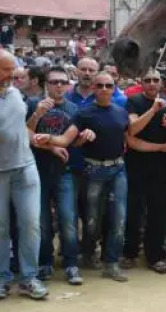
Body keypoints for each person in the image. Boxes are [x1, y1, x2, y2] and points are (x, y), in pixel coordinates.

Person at [34, 72, 131, 282]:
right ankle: (87, 254)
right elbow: (67, 139)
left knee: (119, 218)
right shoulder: (83, 113)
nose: (104, 89)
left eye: (109, 85)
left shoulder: (122, 112)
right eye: (100, 85)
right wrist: (50, 138)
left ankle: (111, 263)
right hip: (93, 170)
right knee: (91, 221)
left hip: (118, 170)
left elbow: (130, 138)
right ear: (94, 88)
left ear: (114, 88)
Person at [25, 66, 83, 285]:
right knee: (42, 222)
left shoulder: (75, 109)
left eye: (63, 82)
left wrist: (83, 138)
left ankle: (71, 264)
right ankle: (45, 262)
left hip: (64, 171)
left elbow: (71, 140)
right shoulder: (32, 104)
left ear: (68, 85)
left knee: (68, 220)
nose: (59, 86)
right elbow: (24, 134)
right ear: (46, 85)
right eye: (54, 82)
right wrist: (38, 113)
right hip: (36, 171)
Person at [0, 49, 48, 300]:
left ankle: (29, 278)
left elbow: (21, 128)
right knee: (0, 228)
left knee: (31, 224)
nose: (12, 74)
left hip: (25, 166)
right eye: (6, 69)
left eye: (13, 69)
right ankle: (1, 278)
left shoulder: (15, 94)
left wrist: (47, 143)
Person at [122, 69, 166, 274]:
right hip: (136, 164)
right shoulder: (133, 101)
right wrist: (153, 110)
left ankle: (155, 256)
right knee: (133, 211)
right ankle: (130, 253)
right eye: (148, 80)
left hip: (161, 166)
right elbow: (133, 129)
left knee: (158, 213)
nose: (152, 83)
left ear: (162, 83)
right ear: (141, 82)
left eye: (156, 80)